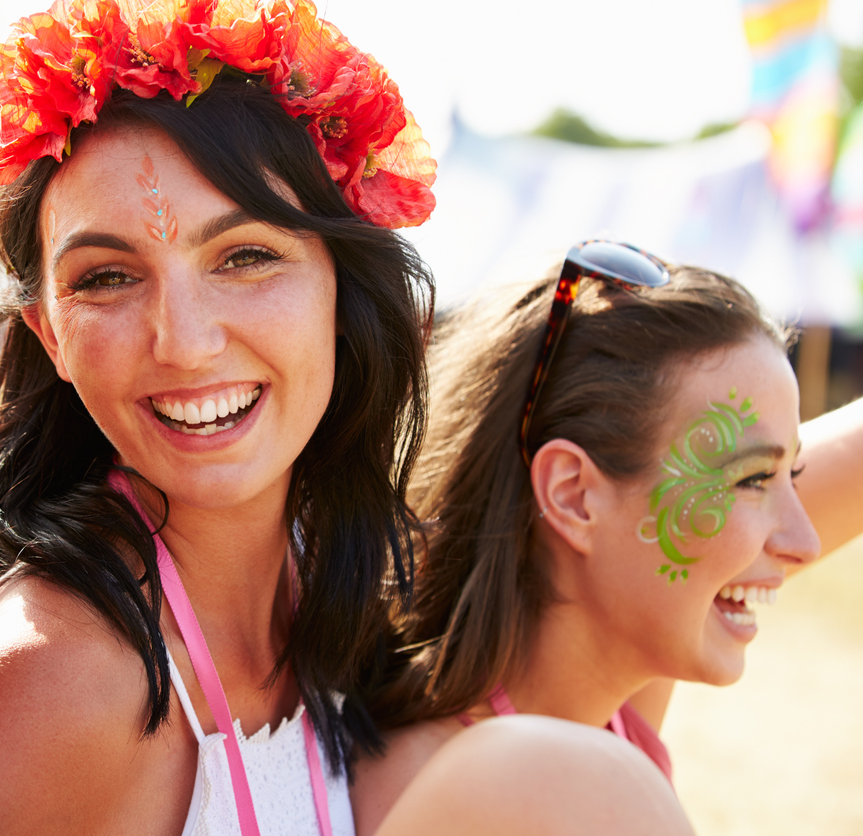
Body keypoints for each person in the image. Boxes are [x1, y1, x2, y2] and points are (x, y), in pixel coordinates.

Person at [0, 0, 437, 833]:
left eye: (247, 257)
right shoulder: (51, 680)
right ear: (49, 337)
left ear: (343, 288)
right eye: (107, 278)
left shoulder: (343, 588)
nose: (184, 344)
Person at [351, 243, 826, 834]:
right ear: (574, 495)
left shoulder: (604, 705)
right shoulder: (478, 796)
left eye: (794, 474)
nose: (805, 542)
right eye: (753, 478)